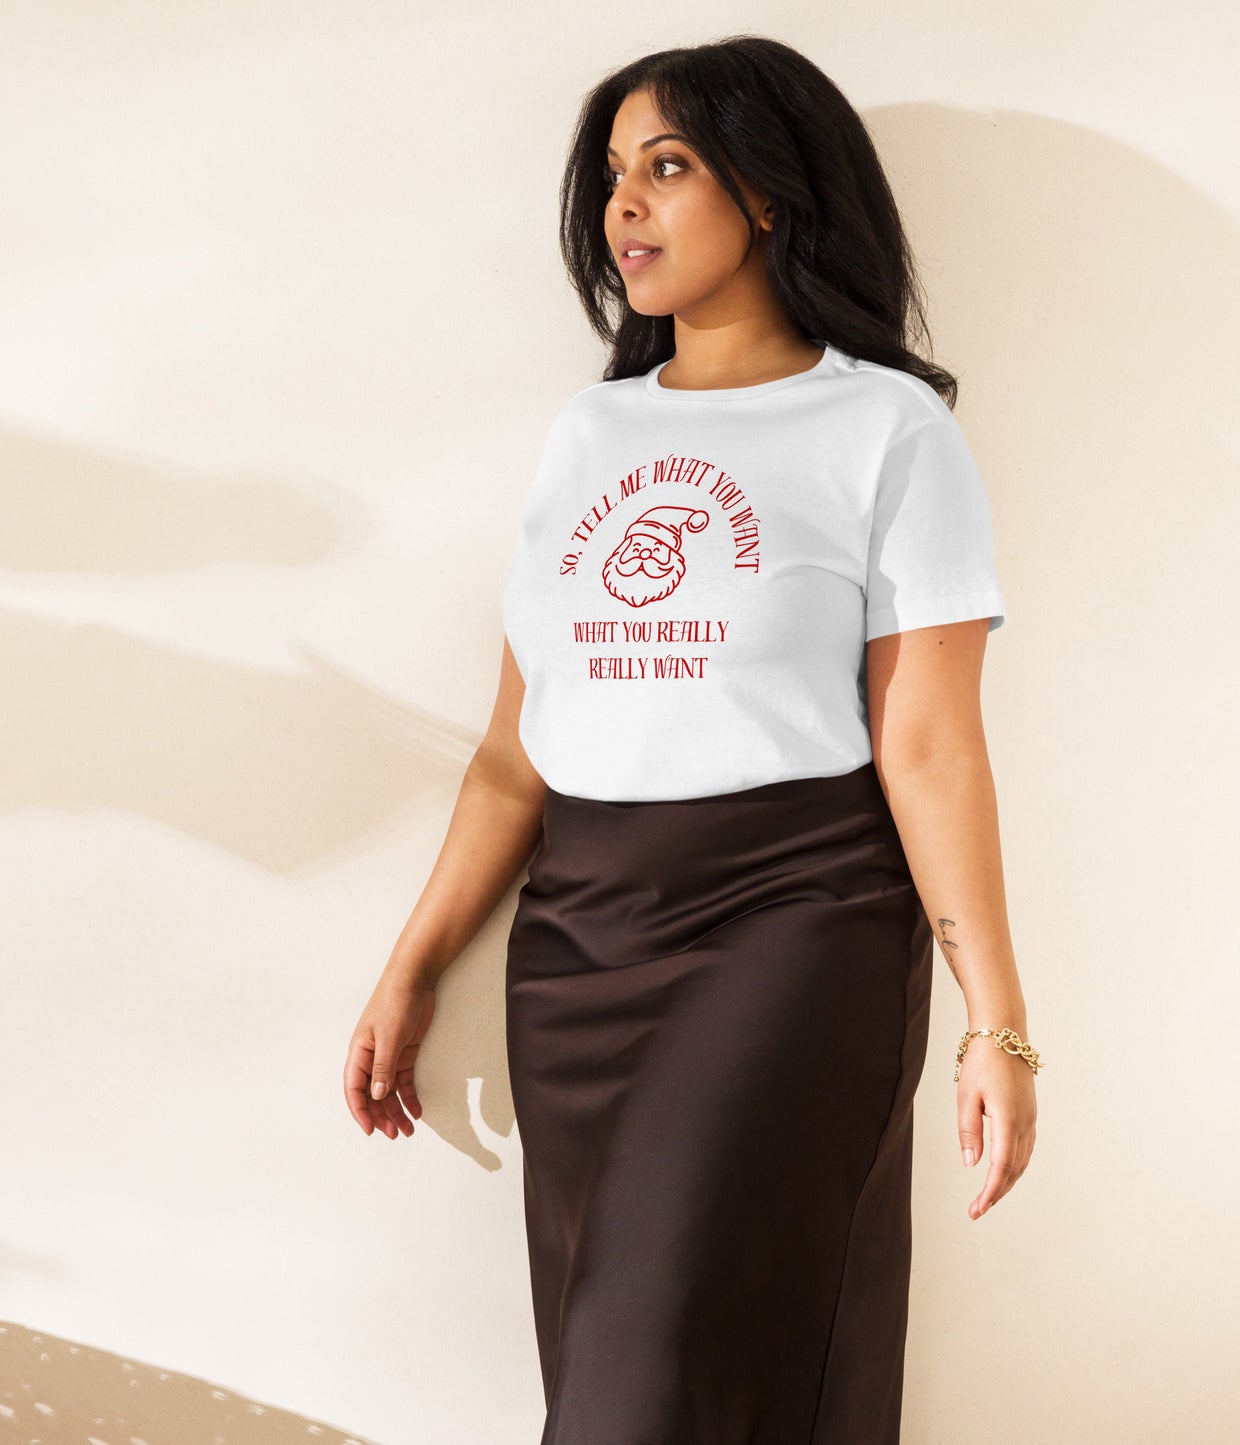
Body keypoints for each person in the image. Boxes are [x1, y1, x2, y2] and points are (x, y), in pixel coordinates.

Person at [343, 34, 1040, 1444]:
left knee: (640, 1382)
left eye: (667, 167)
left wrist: (998, 1025)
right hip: (578, 939)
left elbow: (928, 748)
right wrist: (410, 966)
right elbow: (510, 753)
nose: (625, 208)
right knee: (643, 1362)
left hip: (792, 922)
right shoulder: (587, 437)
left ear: (770, 195)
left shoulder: (885, 428)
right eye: (613, 175)